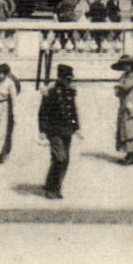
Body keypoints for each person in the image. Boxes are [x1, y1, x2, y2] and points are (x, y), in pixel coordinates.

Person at [37, 64, 81, 199]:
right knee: (59, 158)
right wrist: (42, 130)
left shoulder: (70, 92)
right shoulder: (51, 92)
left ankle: (53, 184)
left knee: (65, 159)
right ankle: (52, 189)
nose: (69, 82)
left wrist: (77, 127)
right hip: (54, 130)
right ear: (60, 78)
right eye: (67, 79)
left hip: (67, 130)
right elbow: (42, 113)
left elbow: (73, 110)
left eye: (70, 79)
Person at [112, 55, 133, 166]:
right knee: (124, 129)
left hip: (131, 105)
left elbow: (124, 87)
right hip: (124, 104)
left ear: (132, 66)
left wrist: (118, 87)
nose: (126, 67)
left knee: (131, 128)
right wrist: (118, 89)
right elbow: (119, 91)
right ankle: (129, 154)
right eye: (123, 65)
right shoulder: (124, 76)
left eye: (127, 65)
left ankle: (132, 154)